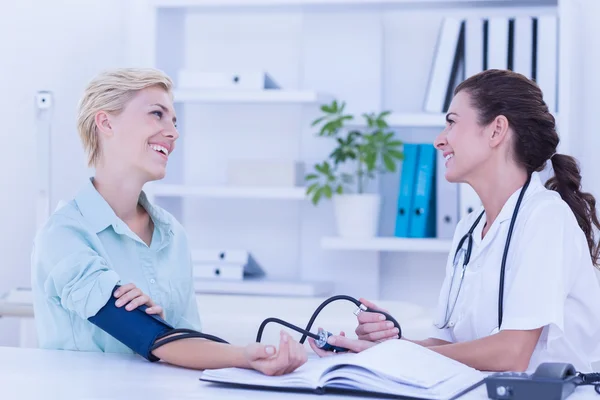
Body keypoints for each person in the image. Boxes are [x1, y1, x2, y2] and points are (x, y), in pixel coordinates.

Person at [309, 69, 600, 373]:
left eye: (451, 122)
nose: (439, 140)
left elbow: (512, 354)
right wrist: (382, 348)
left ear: (496, 130)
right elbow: (449, 346)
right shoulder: (468, 230)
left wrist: (399, 353)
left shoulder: (546, 218)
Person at [31, 68, 307, 375]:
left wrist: (165, 333)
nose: (173, 132)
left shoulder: (172, 234)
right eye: (156, 114)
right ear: (106, 122)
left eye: (174, 121)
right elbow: (145, 333)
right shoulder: (64, 235)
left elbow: (187, 340)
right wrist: (245, 356)